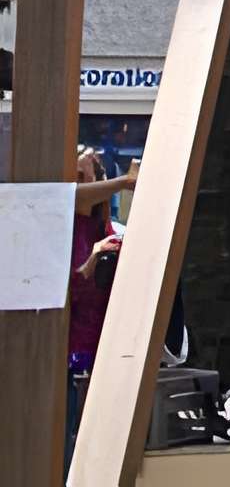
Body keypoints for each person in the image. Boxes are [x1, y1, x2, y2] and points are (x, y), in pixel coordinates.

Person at [68, 148, 137, 471]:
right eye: (72, 177)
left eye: (83, 177)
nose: (76, 184)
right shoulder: (60, 226)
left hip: (103, 354)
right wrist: (93, 260)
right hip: (70, 358)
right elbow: (71, 288)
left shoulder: (107, 231)